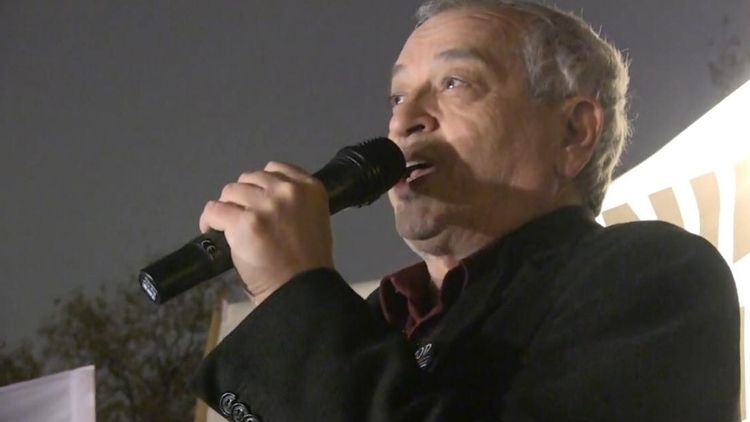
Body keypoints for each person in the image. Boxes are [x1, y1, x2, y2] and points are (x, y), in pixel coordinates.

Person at [189, 1, 741, 421]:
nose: (403, 121)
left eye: (455, 83)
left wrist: (294, 297)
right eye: (397, 97)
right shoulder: (376, 321)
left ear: (573, 132)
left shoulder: (654, 277)